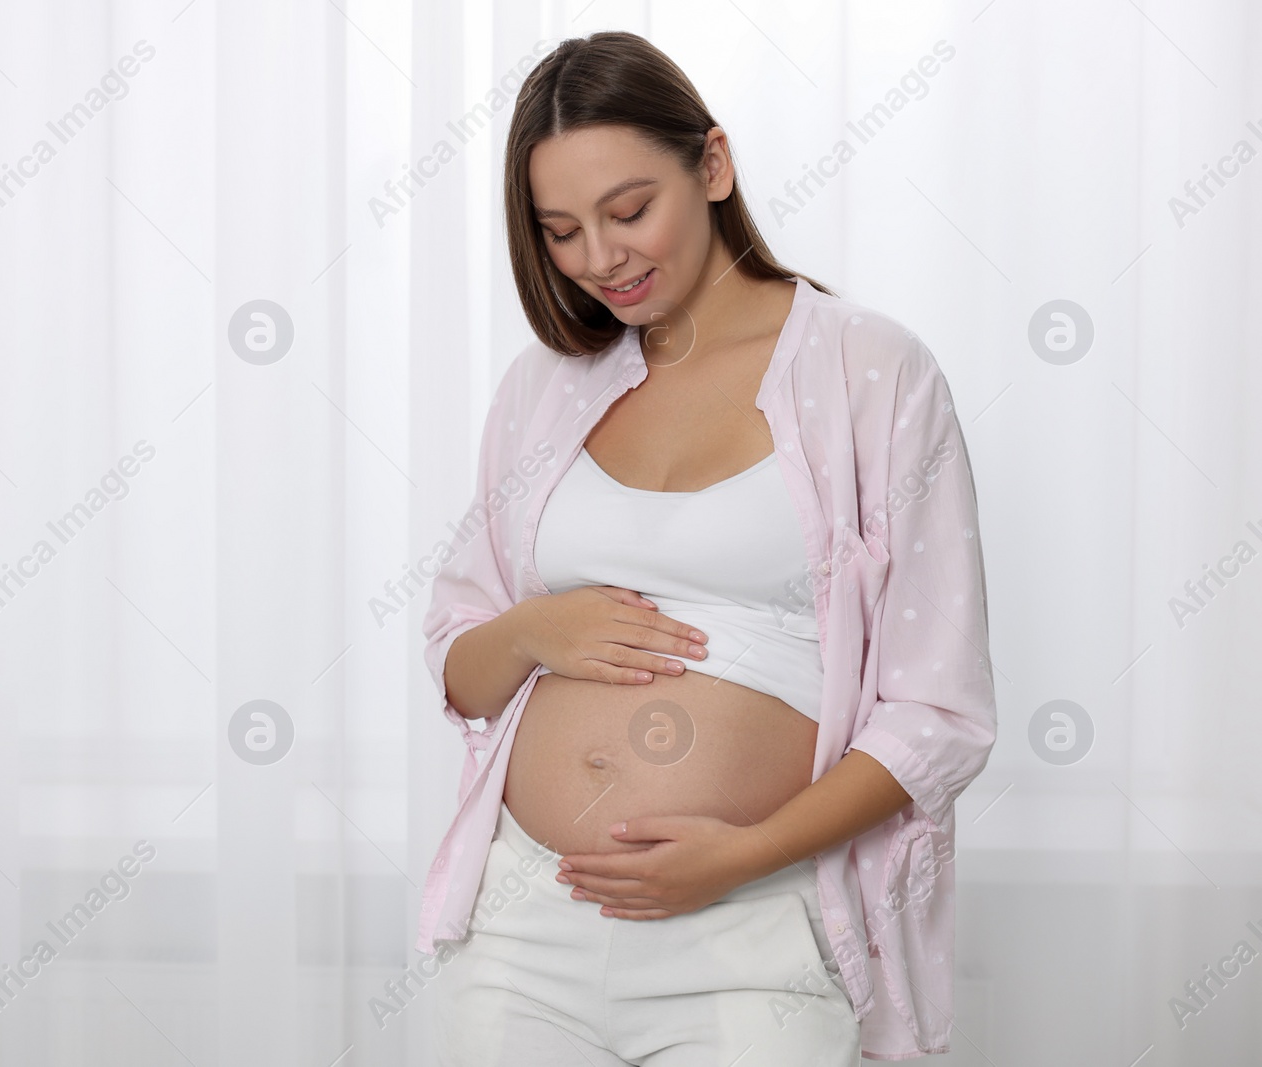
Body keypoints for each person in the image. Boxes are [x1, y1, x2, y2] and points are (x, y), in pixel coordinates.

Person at [415, 30, 998, 1066]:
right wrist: (532, 628)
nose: (601, 258)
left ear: (713, 166)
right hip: (520, 922)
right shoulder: (541, 389)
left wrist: (744, 854)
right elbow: (461, 667)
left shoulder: (871, 371)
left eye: (629, 209)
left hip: (752, 929)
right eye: (560, 231)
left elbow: (939, 713)